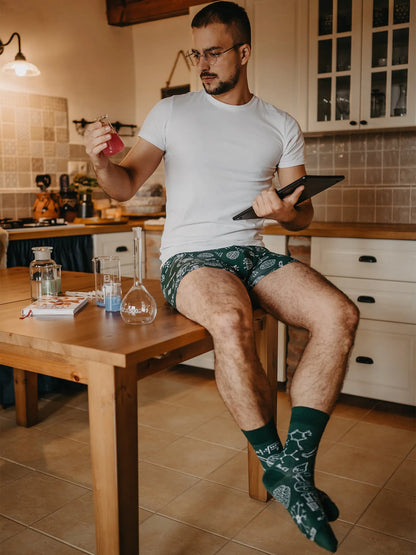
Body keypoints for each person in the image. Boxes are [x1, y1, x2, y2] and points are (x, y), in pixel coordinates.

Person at [85, 2, 359, 551]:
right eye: (196, 54)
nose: (203, 64)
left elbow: (302, 213)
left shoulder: (280, 124)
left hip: (252, 253)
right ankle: (277, 463)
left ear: (244, 52)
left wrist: (284, 212)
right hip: (190, 257)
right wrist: (100, 163)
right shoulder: (172, 112)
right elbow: (125, 185)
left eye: (213, 53)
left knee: (339, 314)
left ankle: (294, 471)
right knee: (231, 320)